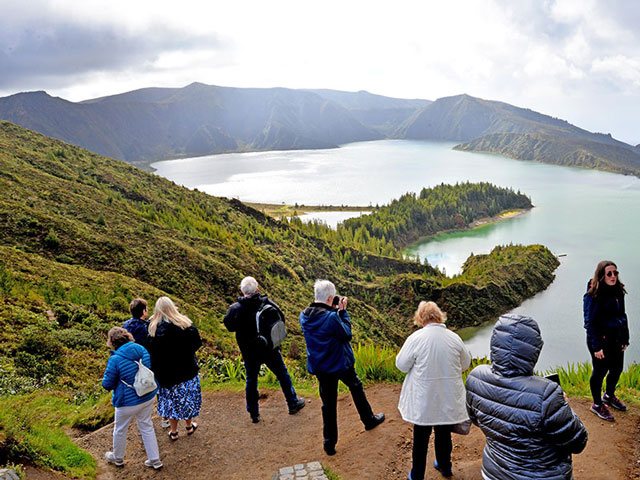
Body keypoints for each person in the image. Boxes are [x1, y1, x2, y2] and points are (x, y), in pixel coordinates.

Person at [466, 314, 588, 480]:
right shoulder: (546, 394)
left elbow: (477, 420)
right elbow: (577, 442)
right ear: (533, 350)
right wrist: (565, 407)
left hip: (494, 470)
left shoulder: (476, 378)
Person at [299, 279, 385, 456]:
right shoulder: (331, 317)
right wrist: (342, 312)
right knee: (356, 387)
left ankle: (329, 443)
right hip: (340, 363)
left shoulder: (304, 316)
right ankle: (369, 420)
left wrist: (333, 309)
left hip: (321, 367)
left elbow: (323, 327)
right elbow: (346, 334)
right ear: (331, 298)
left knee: (328, 404)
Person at [396, 301, 471, 479]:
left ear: (420, 318)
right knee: (443, 434)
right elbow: (465, 363)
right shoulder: (454, 337)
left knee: (420, 438)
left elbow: (402, 365)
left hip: (423, 398)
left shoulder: (416, 338)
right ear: (439, 316)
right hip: (447, 396)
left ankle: (417, 474)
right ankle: (445, 466)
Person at [223, 276, 305, 423]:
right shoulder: (267, 303)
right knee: (282, 374)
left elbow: (229, 326)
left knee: (251, 380)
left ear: (242, 291)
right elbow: (280, 320)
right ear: (257, 289)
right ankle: (292, 403)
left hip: (249, 352)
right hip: (269, 350)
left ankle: (254, 413)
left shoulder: (235, 309)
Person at [102, 327, 162, 470]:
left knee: (120, 429)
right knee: (146, 425)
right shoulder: (141, 349)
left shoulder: (115, 359)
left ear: (112, 342)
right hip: (147, 396)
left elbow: (107, 384)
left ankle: (118, 458)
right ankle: (155, 460)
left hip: (126, 401)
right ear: (127, 336)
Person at [147, 296, 202, 441]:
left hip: (166, 375)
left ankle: (174, 431)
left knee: (171, 403)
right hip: (187, 370)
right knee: (187, 399)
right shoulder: (185, 325)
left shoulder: (153, 330)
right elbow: (197, 343)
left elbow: (150, 351)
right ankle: (189, 426)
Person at [583, 260, 629, 422]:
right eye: (609, 273)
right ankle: (597, 404)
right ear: (601, 275)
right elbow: (590, 323)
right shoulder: (592, 295)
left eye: (615, 273)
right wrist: (597, 347)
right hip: (600, 342)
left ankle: (608, 396)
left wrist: (625, 337)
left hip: (616, 339)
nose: (613, 276)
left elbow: (622, 316)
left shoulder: (618, 291)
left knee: (617, 369)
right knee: (600, 372)